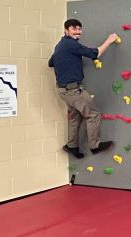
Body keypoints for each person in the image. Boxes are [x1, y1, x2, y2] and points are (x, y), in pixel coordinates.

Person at [48, 19, 117, 158]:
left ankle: (72, 146)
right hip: (73, 90)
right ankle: (95, 145)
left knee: (75, 117)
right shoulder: (70, 44)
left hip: (63, 90)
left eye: (79, 29)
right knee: (93, 114)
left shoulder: (60, 46)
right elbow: (94, 54)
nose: (78, 32)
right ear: (66, 30)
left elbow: (51, 63)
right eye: (74, 29)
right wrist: (109, 41)